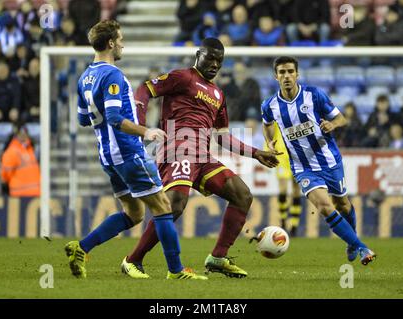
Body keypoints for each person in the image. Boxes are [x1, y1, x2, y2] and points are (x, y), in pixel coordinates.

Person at [122, 37, 278, 279]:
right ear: (198, 55)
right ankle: (133, 261)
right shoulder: (183, 77)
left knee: (242, 195)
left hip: (203, 156)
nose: (215, 64)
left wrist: (256, 153)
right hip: (178, 149)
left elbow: (223, 138)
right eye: (210, 58)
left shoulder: (218, 94)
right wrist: (140, 122)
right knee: (174, 206)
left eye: (220, 61)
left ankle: (217, 258)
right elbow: (145, 89)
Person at [65, 20, 207, 280]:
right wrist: (146, 131)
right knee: (163, 206)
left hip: (107, 156)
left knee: (134, 212)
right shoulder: (113, 75)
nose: (122, 44)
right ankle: (176, 270)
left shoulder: (85, 77)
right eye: (120, 39)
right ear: (110, 43)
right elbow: (115, 117)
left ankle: (81, 247)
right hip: (128, 152)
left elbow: (84, 119)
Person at [261, 56, 376, 265]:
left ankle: (352, 241)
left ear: (297, 74)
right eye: (282, 72)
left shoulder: (314, 95)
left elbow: (341, 118)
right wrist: (269, 141)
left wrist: (333, 125)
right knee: (324, 206)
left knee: (343, 204)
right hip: (302, 166)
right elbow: (267, 124)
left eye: (290, 71)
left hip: (329, 160)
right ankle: (361, 247)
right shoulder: (270, 105)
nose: (286, 76)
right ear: (275, 76)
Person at [268, 122, 302, 237]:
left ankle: (294, 225)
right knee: (283, 189)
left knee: (296, 190)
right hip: (282, 156)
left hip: (297, 156)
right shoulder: (277, 116)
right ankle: (283, 222)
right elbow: (269, 131)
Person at [0, 123, 40, 197]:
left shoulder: (31, 150)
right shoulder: (12, 151)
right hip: (20, 193)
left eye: (25, 134)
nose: (23, 136)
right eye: (20, 134)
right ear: (16, 136)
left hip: (35, 193)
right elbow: (5, 175)